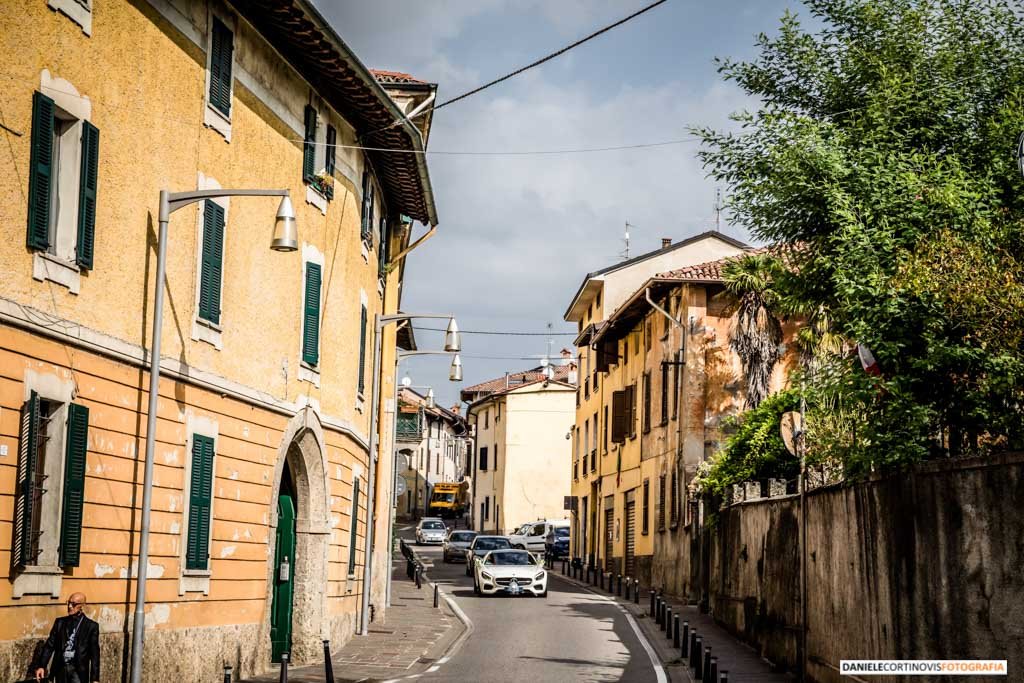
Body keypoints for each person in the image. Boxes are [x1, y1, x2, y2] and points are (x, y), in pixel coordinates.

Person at [34, 591, 100, 683]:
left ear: (82, 606)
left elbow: (95, 654)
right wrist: (42, 666)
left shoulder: (91, 626)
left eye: (73, 604)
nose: (69, 606)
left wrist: (95, 679)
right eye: (68, 603)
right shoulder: (60, 622)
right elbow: (50, 645)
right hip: (61, 669)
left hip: (78, 672)